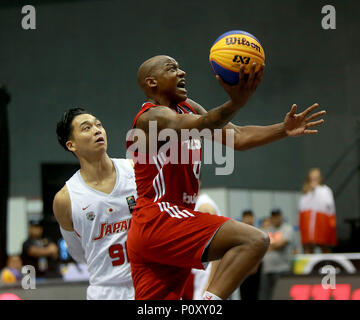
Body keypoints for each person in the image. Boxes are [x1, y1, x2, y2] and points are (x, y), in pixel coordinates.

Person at [126, 54, 326, 300]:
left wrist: (283, 129)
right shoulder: (151, 117)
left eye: (180, 67)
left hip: (161, 227)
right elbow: (203, 123)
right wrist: (236, 102)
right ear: (152, 83)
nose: (182, 73)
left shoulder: (188, 107)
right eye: (172, 69)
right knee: (253, 240)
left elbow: (238, 137)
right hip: (159, 218)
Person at [53, 108, 137, 300]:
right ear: (71, 145)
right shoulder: (66, 199)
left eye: (98, 125)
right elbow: (79, 252)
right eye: (86, 128)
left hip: (149, 282)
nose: (97, 130)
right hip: (105, 291)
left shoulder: (135, 170)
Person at [298, 168, 337, 253]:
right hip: (309, 226)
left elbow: (329, 205)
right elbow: (302, 210)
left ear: (320, 179)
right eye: (312, 178)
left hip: (321, 224)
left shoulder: (325, 190)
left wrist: (317, 190)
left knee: (324, 247)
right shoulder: (306, 193)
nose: (314, 180)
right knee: (308, 247)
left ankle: (327, 265)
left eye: (316, 178)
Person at [259, 208, 295, 300]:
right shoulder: (267, 229)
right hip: (267, 270)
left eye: (277, 216)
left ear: (281, 217)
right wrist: (272, 245)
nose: (275, 219)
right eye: (273, 217)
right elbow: (260, 244)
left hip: (282, 269)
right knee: (265, 296)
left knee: (281, 296)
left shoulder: (287, 228)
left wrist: (269, 245)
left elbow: (281, 244)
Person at [239, 210, 262, 300]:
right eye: (246, 217)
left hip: (254, 269)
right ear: (243, 219)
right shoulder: (239, 234)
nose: (248, 220)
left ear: (253, 219)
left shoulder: (258, 233)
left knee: (255, 294)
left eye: (250, 217)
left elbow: (260, 251)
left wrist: (255, 266)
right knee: (244, 294)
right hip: (242, 270)